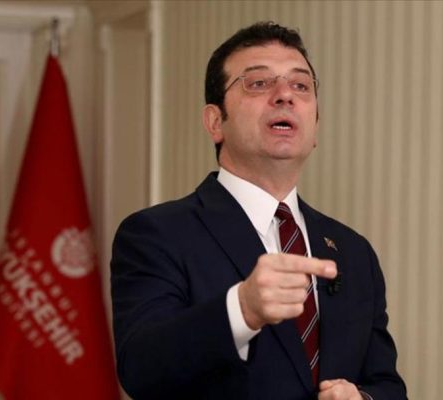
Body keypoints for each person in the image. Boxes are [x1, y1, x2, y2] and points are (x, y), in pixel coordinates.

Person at [111, 21, 407, 400]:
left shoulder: (353, 251)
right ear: (215, 122)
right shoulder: (156, 234)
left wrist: (362, 399)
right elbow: (141, 367)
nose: (285, 96)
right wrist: (242, 310)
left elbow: (387, 385)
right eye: (259, 83)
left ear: (315, 127)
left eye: (301, 86)